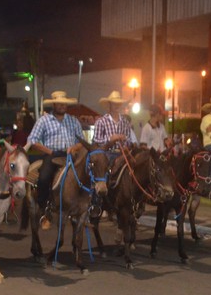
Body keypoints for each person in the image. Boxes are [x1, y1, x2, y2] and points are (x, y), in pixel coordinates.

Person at [28, 91, 85, 230]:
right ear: (54, 104)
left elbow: (82, 141)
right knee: (44, 178)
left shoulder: (73, 120)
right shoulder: (44, 120)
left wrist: (74, 147)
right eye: (59, 103)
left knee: (88, 173)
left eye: (64, 103)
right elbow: (32, 140)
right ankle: (44, 210)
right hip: (52, 155)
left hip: (71, 155)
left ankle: (89, 206)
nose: (62, 106)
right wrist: (50, 151)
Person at [92, 90, 137, 156]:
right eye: (114, 104)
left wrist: (125, 141)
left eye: (119, 103)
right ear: (109, 105)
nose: (117, 106)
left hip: (122, 155)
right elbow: (96, 142)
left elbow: (129, 140)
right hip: (105, 156)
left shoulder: (125, 122)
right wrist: (110, 139)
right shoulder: (101, 122)